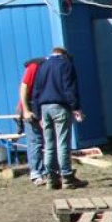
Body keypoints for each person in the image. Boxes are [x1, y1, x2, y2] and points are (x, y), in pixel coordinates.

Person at [31, 46, 88, 188]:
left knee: (49, 145)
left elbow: (36, 91)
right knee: (63, 143)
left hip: (44, 108)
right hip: (60, 107)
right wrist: (76, 107)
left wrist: (38, 114)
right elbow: (69, 88)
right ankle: (67, 177)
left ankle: (51, 178)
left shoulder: (42, 66)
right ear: (64, 54)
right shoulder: (66, 65)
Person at [17, 57, 47, 186]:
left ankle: (48, 171)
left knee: (48, 142)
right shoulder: (35, 66)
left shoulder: (53, 66)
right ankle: (36, 172)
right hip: (30, 108)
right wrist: (25, 110)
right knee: (35, 141)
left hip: (44, 108)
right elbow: (24, 87)